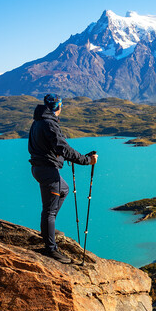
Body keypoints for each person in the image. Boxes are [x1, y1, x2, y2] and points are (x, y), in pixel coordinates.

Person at [28, 94, 98, 263]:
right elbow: (63, 148)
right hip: (48, 172)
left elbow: (52, 148)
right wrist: (86, 160)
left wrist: (75, 157)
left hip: (40, 168)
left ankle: (48, 230)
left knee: (64, 190)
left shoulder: (38, 121)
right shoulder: (49, 124)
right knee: (49, 210)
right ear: (58, 107)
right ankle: (50, 249)